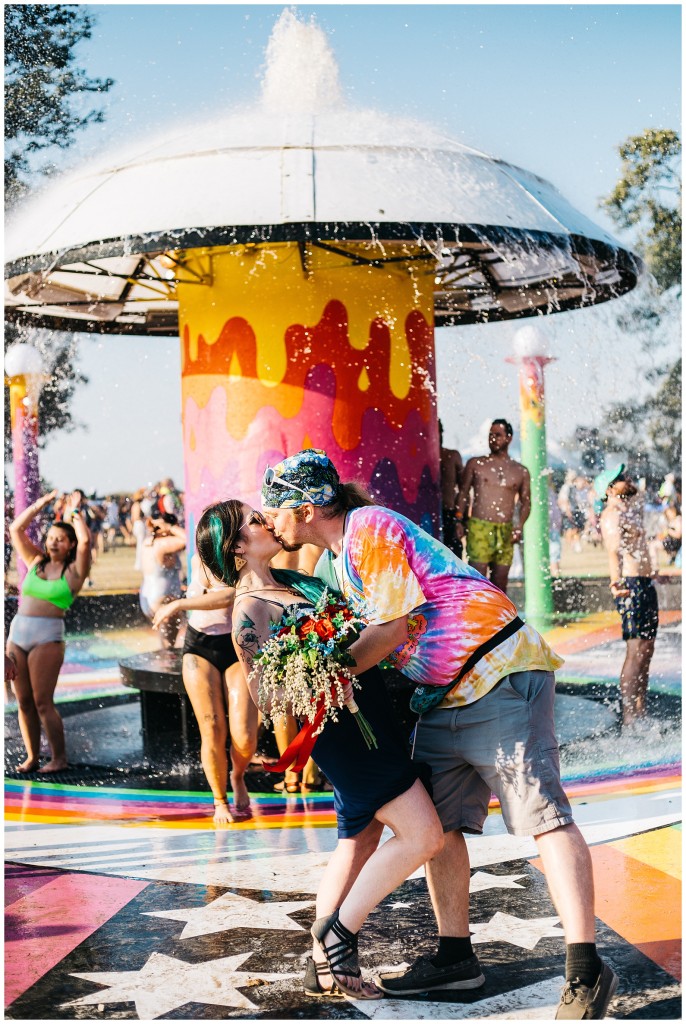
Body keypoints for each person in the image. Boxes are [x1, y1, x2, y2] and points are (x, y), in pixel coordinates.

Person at [262, 448, 618, 1020]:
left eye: (273, 509)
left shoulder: (368, 527)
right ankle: (456, 957)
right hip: (444, 696)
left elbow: (391, 628)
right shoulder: (343, 553)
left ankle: (585, 970)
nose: (268, 521)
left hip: (497, 675)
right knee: (439, 828)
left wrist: (328, 672)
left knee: (543, 818)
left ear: (305, 508)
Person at [198, 498, 444, 1000]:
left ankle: (319, 968)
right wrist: (321, 675)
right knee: (424, 836)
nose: (265, 519)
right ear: (238, 546)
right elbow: (267, 695)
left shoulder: (291, 584)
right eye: (252, 520)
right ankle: (337, 935)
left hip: (368, 716)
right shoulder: (251, 606)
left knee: (359, 840)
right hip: (346, 736)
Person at [153, 553, 255, 825]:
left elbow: (227, 596)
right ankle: (220, 800)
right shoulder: (199, 557)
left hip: (235, 645)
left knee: (244, 735)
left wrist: (178, 604)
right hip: (199, 646)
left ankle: (237, 774)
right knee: (211, 727)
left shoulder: (244, 559)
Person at [6, 490, 91, 773]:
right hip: (18, 634)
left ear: (70, 545)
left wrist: (75, 512)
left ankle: (59, 758)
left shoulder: (74, 572)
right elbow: (15, 528)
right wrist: (42, 503)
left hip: (47, 637)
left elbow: (87, 541)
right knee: (24, 701)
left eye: (60, 539)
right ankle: (32, 756)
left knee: (43, 702)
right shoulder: (35, 562)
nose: (53, 542)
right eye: (51, 537)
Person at [595, 464, 658, 731]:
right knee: (635, 651)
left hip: (643, 583)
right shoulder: (611, 515)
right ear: (610, 489)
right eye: (620, 479)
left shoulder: (627, 511)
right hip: (628, 586)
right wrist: (616, 581)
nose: (627, 479)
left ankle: (640, 710)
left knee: (646, 650)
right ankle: (630, 716)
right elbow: (613, 551)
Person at [456, 419, 530, 593]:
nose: (493, 439)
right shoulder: (476, 464)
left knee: (500, 583)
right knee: (477, 581)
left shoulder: (520, 471)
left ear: (509, 438)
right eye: (490, 435)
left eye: (498, 435)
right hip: (479, 528)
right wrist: (459, 520)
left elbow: (526, 502)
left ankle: (498, 620)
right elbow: (464, 493)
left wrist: (519, 527)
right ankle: (477, 618)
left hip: (506, 530)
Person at [139, 513, 186, 647]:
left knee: (164, 641)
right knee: (169, 645)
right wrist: (170, 527)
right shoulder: (162, 543)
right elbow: (190, 540)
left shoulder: (148, 542)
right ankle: (167, 666)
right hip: (163, 599)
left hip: (148, 598)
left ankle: (163, 662)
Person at [438, 419, 464, 559]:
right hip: (429, 514)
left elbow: (463, 490)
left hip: (449, 514)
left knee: (454, 555)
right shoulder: (420, 457)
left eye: (440, 431)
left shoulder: (452, 456)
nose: (438, 435)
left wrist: (460, 518)